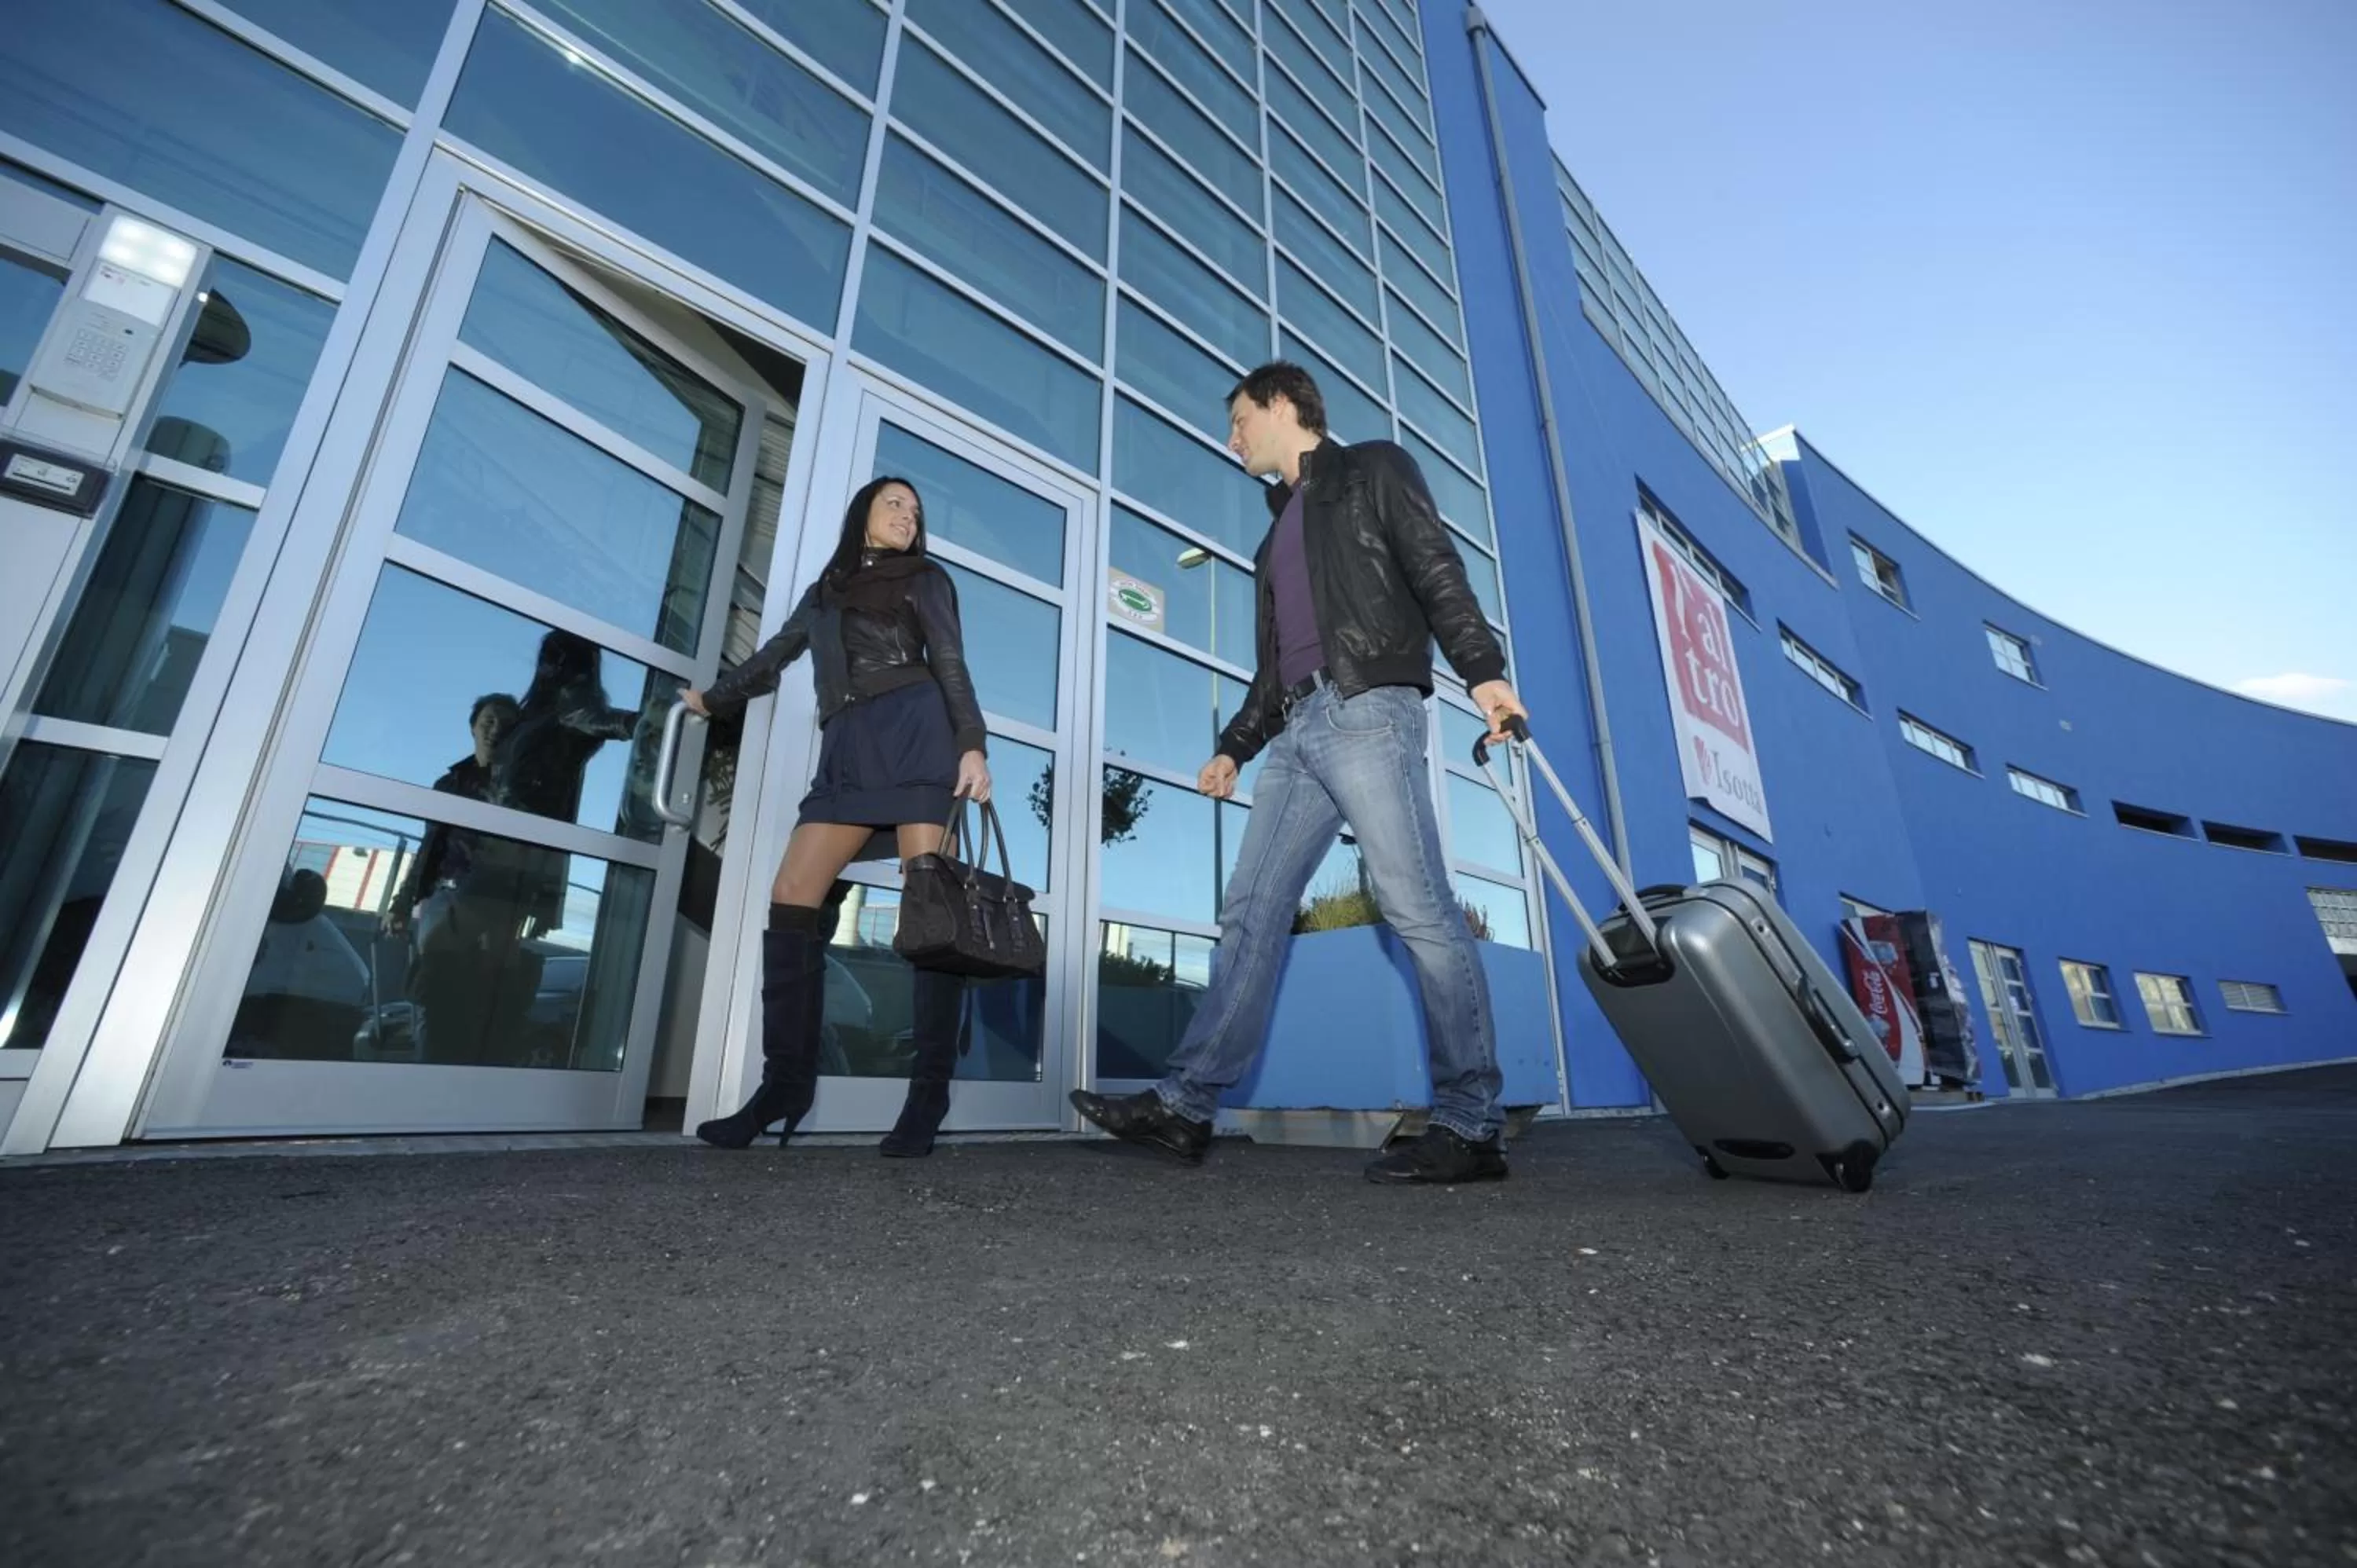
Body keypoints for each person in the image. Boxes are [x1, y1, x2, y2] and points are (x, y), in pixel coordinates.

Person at [1070, 362, 1530, 1185]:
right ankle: (1185, 1108)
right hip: (1297, 734)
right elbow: (1274, 666)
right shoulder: (1272, 535)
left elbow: (1437, 570)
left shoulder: (1373, 471)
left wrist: (1484, 671)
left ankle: (1471, 1122)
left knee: (1415, 905)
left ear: (1283, 404)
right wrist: (1235, 745)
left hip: (1367, 711)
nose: (1232, 439)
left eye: (1240, 420)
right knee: (1251, 911)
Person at [683, 476, 992, 1158]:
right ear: (862, 514)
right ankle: (784, 1085)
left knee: (928, 911)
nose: (908, 515)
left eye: (915, 509)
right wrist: (713, 699)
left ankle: (928, 1093)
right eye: (894, 504)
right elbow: (773, 660)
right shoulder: (826, 591)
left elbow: (950, 662)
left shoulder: (927, 579)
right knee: (792, 895)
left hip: (916, 733)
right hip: (847, 745)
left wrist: (971, 744)